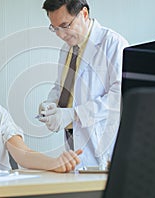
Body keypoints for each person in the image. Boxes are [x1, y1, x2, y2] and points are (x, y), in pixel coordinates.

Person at [38, 0, 129, 169]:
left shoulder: (113, 44)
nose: (60, 34)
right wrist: (50, 104)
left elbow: (120, 97)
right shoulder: (66, 50)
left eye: (65, 25)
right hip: (73, 147)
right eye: (55, 28)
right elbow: (61, 87)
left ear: (84, 14)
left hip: (102, 149)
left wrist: (74, 115)